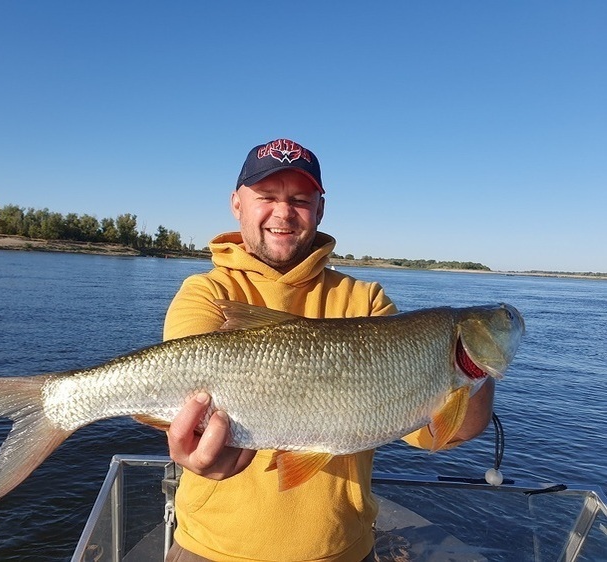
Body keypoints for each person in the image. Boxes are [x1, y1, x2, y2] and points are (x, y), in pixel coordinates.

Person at [162, 138, 495, 562]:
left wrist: (473, 371)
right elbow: (183, 397)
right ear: (236, 203)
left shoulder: (368, 301)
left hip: (341, 549)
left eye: (300, 200)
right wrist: (191, 445)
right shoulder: (205, 293)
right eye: (266, 196)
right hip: (210, 548)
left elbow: (435, 430)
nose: (283, 212)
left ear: (320, 209)